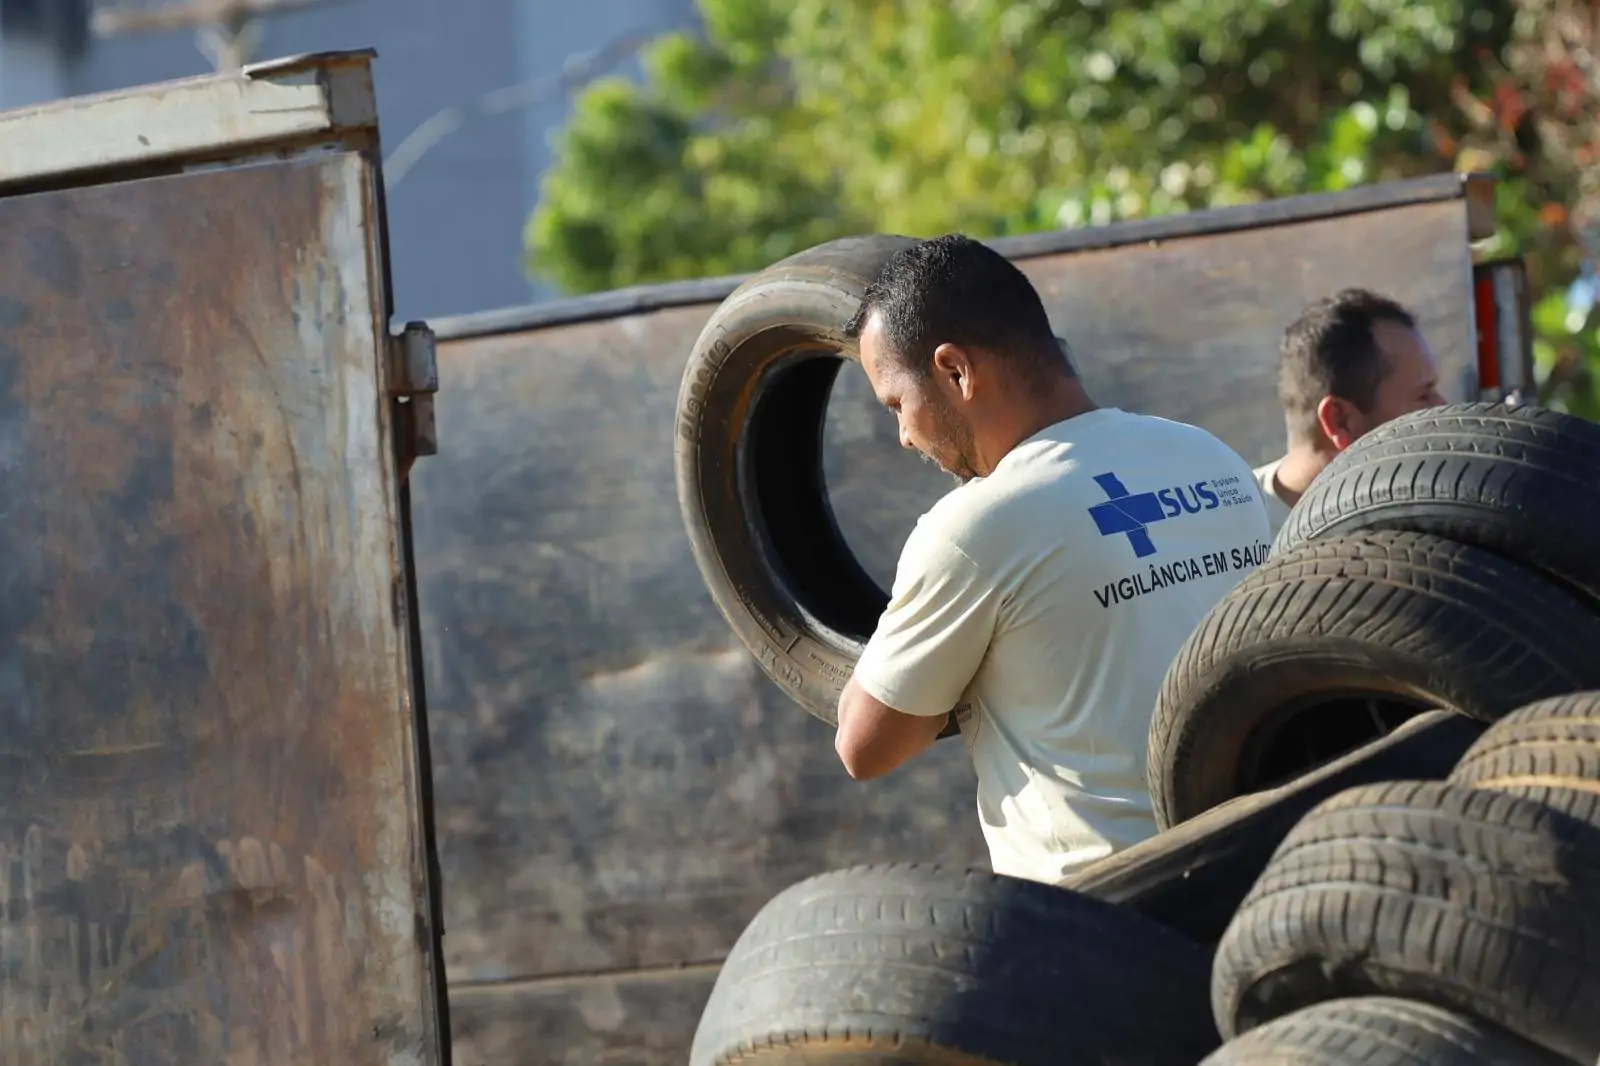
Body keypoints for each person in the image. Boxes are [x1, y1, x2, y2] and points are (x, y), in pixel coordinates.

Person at [833, 234, 1273, 885]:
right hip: (1268, 858)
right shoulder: (1209, 456)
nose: (904, 435)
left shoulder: (975, 528)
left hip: (1115, 912)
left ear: (955, 371)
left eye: (898, 404)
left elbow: (864, 747)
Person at [1254, 289, 1445, 535]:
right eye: (1423, 395)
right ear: (1340, 420)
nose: (1442, 408)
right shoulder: (1229, 542)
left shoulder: (1425, 514)